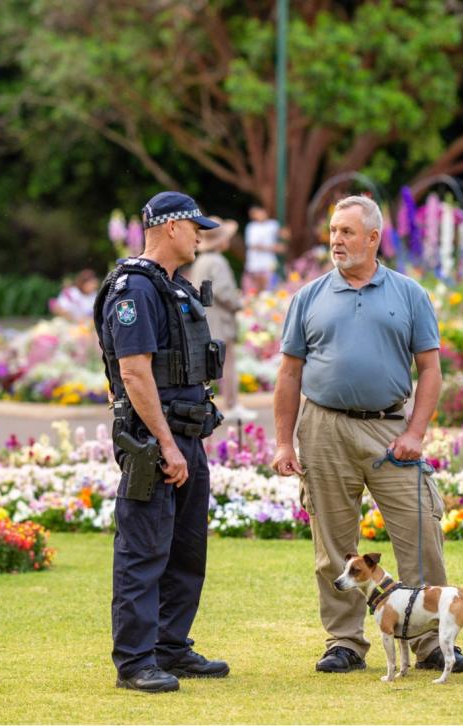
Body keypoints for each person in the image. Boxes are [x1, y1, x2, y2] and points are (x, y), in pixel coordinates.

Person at [271, 195, 463, 675]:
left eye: (347, 232)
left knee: (420, 534)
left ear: (374, 237)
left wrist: (416, 431)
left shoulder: (408, 294)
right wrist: (282, 442)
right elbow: (289, 374)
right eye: (333, 231)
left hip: (390, 429)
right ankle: (344, 642)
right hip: (323, 428)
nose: (336, 240)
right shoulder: (309, 297)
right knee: (334, 546)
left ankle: (430, 644)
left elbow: (431, 370)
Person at [94, 191, 230, 693]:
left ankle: (171, 647)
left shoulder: (172, 286)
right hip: (154, 444)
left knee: (185, 550)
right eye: (195, 226)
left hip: (186, 434)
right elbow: (133, 371)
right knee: (144, 550)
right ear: (170, 228)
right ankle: (135, 662)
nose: (200, 234)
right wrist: (167, 445)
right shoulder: (135, 289)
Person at [184, 216, 256, 422]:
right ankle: (232, 405)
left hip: (207, 321)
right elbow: (224, 291)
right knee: (228, 363)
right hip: (221, 321)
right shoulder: (218, 261)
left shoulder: (201, 261)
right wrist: (239, 303)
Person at [243, 205, 282, 292]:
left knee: (271, 289)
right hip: (254, 264)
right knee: (253, 290)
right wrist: (273, 248)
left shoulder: (273, 224)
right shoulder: (251, 227)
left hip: (268, 263)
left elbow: (282, 235)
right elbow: (253, 245)